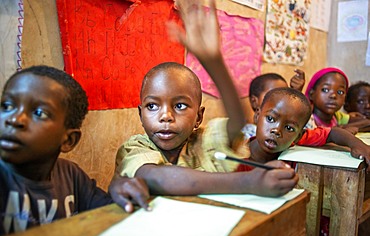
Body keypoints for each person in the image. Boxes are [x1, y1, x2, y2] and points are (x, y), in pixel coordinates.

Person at [111, 0, 298, 198]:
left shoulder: (202, 142)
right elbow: (157, 178)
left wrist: (215, 64)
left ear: (199, 117)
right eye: (152, 106)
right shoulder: (135, 148)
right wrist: (248, 182)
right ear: (140, 114)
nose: (165, 116)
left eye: (180, 106)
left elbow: (237, 123)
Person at [0, 65, 150, 236]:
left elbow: (113, 217)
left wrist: (118, 188)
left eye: (39, 113)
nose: (14, 119)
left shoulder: (71, 176)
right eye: (7, 106)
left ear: (68, 140)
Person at [237, 87, 370, 170]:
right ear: (257, 116)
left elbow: (332, 132)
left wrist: (358, 145)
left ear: (299, 135)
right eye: (271, 119)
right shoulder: (237, 157)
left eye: (289, 128)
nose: (277, 130)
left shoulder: (297, 141)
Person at [305, 67, 370, 131]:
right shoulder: (307, 119)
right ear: (311, 94)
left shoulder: (337, 117)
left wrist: (341, 128)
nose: (333, 96)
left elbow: (367, 123)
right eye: (325, 90)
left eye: (340, 92)